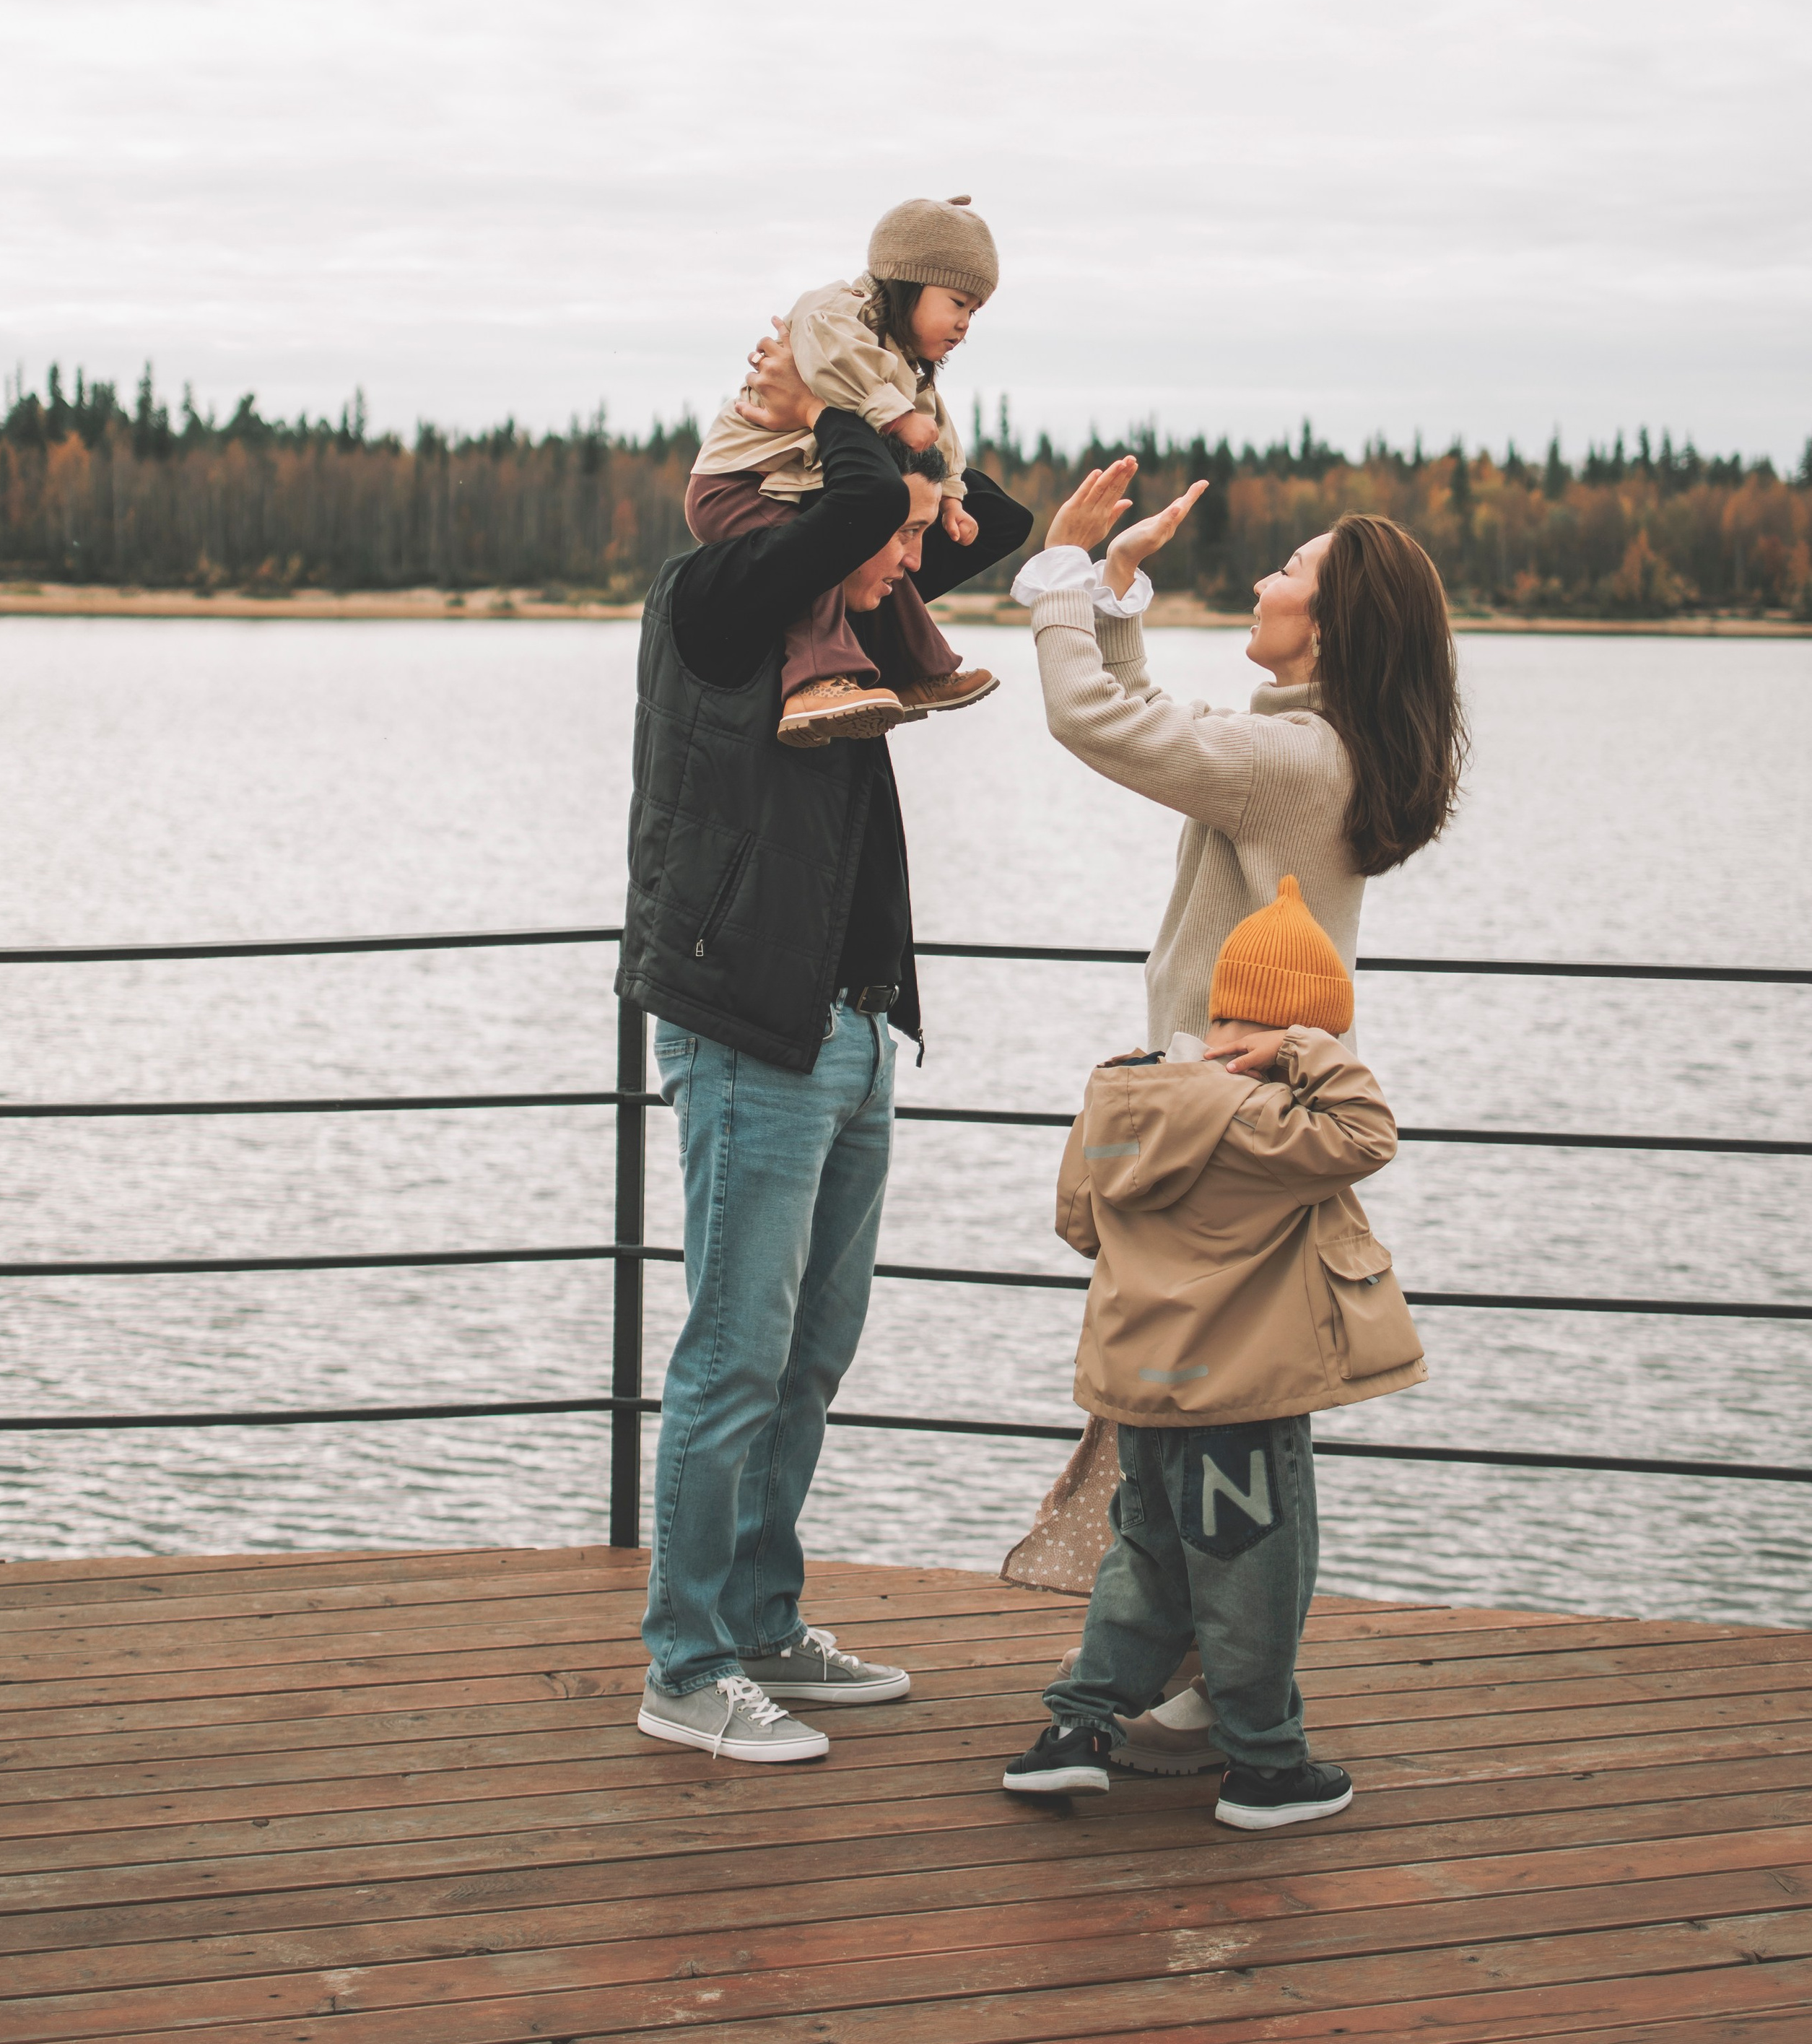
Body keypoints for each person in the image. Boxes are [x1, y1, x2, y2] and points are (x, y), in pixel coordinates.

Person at [618, 360, 1032, 1765]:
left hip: (851, 1032)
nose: (918, 559)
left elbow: (994, 520)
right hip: (752, 1031)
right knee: (733, 1358)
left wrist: (923, 428)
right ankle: (683, 1672)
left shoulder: (842, 628)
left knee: (807, 1356)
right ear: (822, 519)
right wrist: (833, 405)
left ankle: (757, 1624)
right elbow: (857, 495)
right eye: (897, 538)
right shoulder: (719, 603)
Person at [1001, 464, 1465, 1594]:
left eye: (1290, 570)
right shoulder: (1309, 751)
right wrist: (1114, 594)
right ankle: (1179, 1673)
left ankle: (1220, 1693)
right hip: (1251, 1119)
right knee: (1218, 1404)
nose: (1265, 580)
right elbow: (1163, 727)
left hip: (1221, 1129)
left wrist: (1062, 573)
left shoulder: (1291, 762)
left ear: (1331, 625)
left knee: (1211, 1411)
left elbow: (1097, 722)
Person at [1001, 877, 1425, 1825]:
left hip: (1139, 1395)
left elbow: (1079, 1223)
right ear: (1296, 1030)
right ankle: (1266, 1766)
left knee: (1146, 1560)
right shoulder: (1273, 1123)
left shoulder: (1122, 1092)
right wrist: (1307, 1051)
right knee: (1256, 1574)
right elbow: (1368, 1132)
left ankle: (1077, 1731)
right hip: (1242, 1401)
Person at [687, 194, 1003, 747]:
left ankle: (918, 672)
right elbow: (831, 362)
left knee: (877, 550)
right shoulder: (840, 311)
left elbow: (939, 433)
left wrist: (951, 495)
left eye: (974, 312)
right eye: (957, 302)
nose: (963, 324)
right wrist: (895, 415)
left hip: (792, 484)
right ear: (907, 281)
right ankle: (813, 682)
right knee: (816, 556)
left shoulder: (905, 363)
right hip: (739, 483)